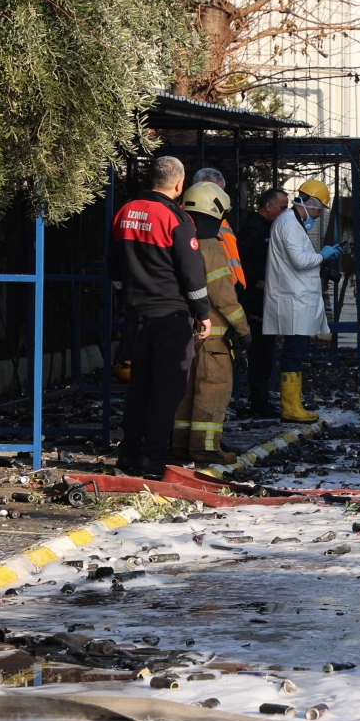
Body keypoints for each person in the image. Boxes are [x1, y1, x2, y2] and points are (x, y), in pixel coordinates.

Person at [109, 155, 211, 478]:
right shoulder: (176, 218)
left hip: (136, 315)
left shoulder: (124, 212)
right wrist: (203, 313)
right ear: (179, 185)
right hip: (171, 315)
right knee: (167, 389)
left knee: (140, 384)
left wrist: (128, 298)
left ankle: (129, 453)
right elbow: (191, 272)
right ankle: (153, 460)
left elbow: (113, 267)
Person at [171, 181, 250, 464]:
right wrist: (243, 329)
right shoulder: (211, 248)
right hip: (214, 338)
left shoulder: (180, 242)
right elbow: (223, 297)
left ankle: (180, 444)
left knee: (186, 391)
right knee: (212, 391)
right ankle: (205, 447)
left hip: (186, 334)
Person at [264, 179, 339, 423]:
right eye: (318, 210)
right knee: (293, 353)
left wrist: (321, 256)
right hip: (293, 301)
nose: (317, 216)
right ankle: (291, 408)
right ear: (310, 203)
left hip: (296, 298)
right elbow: (300, 261)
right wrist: (322, 255)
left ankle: (293, 405)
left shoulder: (292, 223)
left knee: (296, 351)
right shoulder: (289, 225)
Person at [238, 187, 289, 417]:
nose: (285, 212)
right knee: (260, 351)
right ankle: (259, 402)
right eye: (282, 207)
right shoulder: (254, 228)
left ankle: (262, 399)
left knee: (266, 350)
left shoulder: (269, 227)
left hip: (266, 299)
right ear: (268, 207)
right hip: (255, 300)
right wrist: (255, 282)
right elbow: (238, 256)